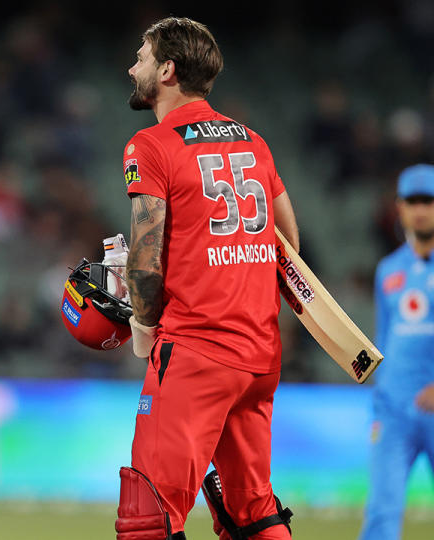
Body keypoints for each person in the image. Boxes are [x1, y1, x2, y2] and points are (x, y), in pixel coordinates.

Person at [114, 18, 299, 540]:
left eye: (142, 57)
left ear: (167, 70)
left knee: (148, 517)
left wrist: (145, 326)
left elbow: (146, 258)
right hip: (259, 354)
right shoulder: (254, 140)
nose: (133, 67)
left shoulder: (150, 144)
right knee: (254, 513)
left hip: (195, 350)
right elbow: (288, 241)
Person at [359, 165, 434, 540]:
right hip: (395, 411)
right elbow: (384, 341)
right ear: (400, 208)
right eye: (413, 202)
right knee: (382, 512)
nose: (421, 210)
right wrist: (381, 398)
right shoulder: (388, 270)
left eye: (429, 201)